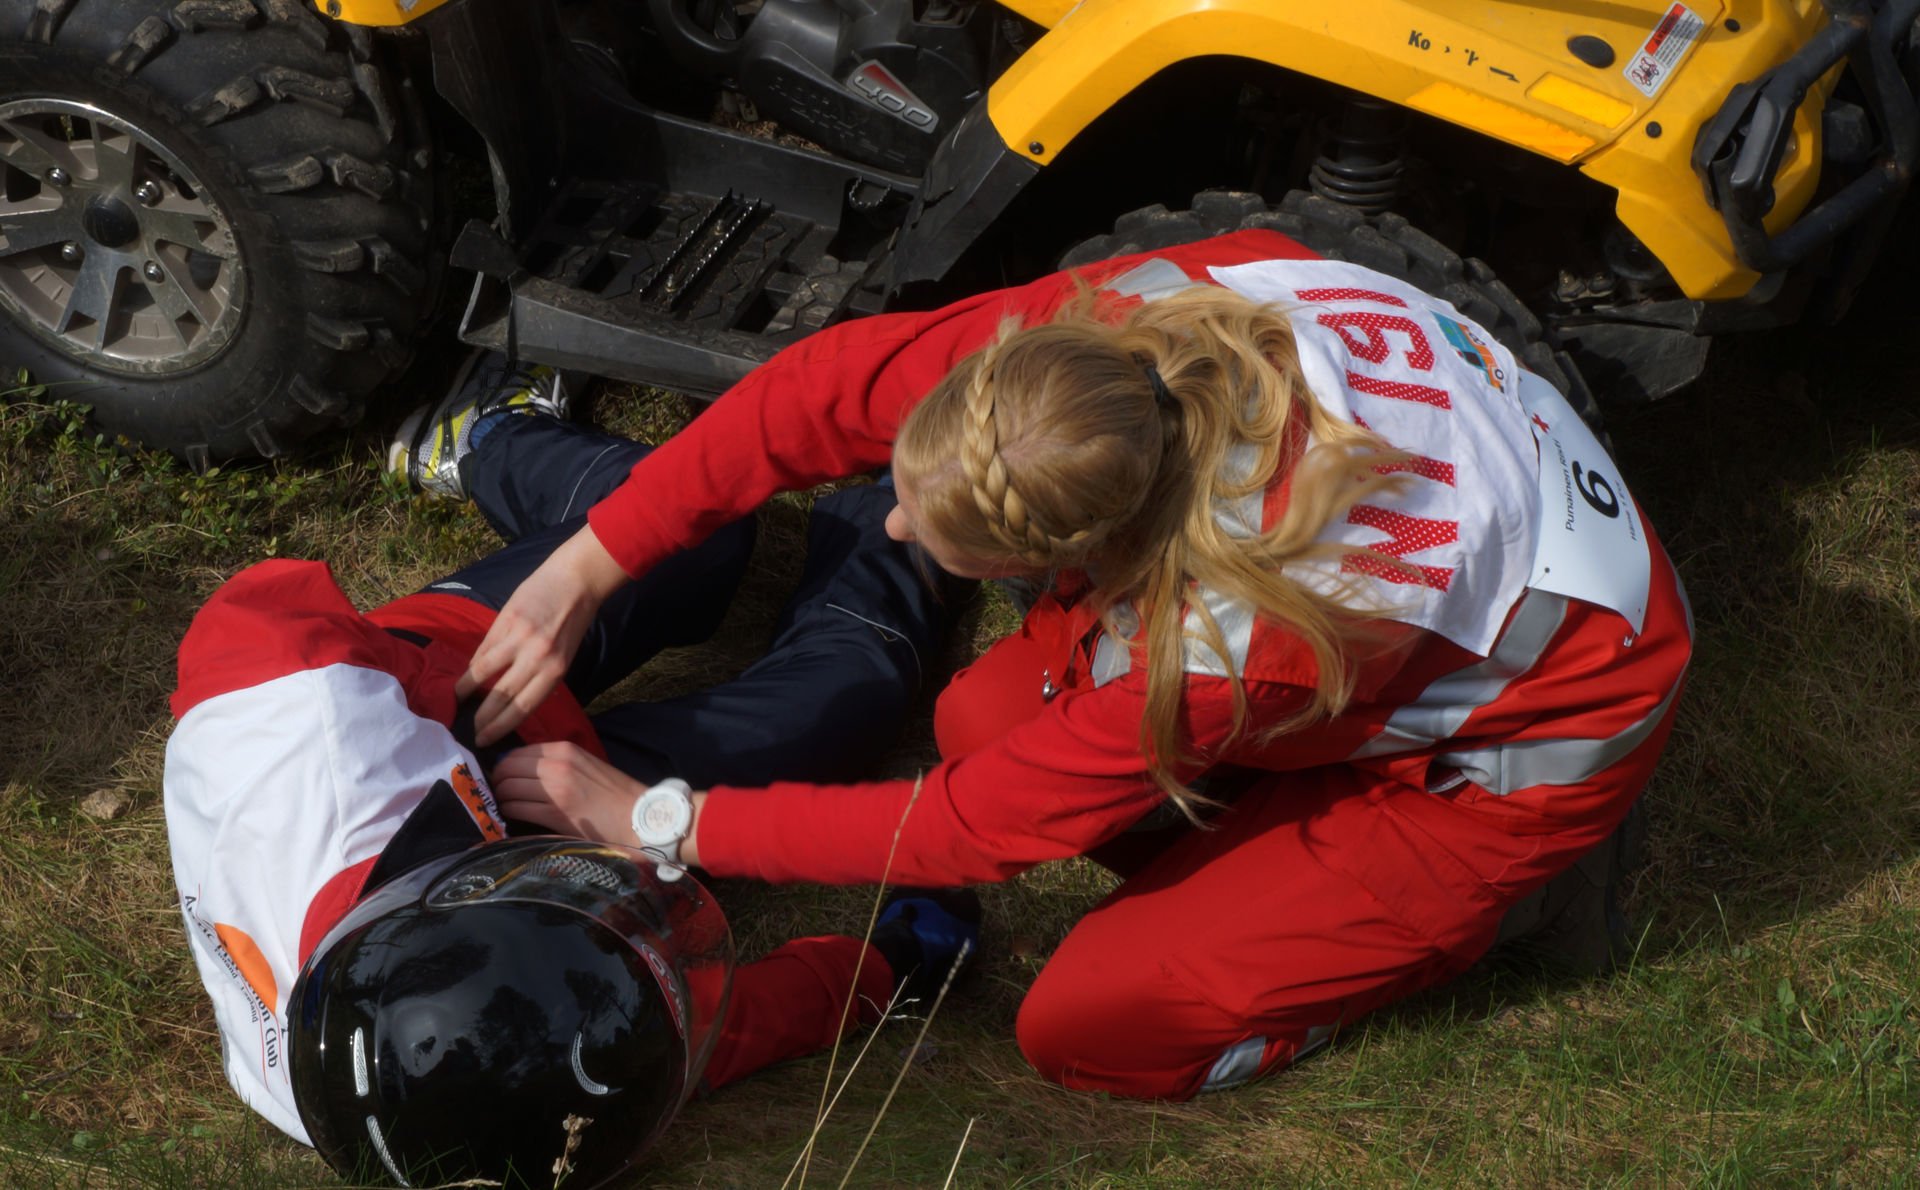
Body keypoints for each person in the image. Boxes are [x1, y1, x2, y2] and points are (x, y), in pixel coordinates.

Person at [467, 229, 1694, 1100]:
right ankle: (1268, 846)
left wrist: (663, 818)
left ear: (1097, 552)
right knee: (981, 714)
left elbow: (969, 833)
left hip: (1523, 738)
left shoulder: (1236, 634)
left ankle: (1489, 904)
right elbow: (818, 393)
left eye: (924, 531)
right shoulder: (1108, 350)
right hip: (1456, 592)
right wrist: (588, 564)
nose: (889, 528)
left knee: (1093, 1027)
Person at [161, 357, 979, 1186]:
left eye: (585, 902)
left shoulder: (313, 734)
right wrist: (892, 963)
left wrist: (486, 710)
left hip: (438, 684)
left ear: (470, 888)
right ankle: (900, 497)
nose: (632, 901)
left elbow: (250, 615)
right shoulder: (447, 1106)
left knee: (695, 535)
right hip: (493, 820)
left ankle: (484, 432)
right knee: (848, 693)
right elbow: (684, 1030)